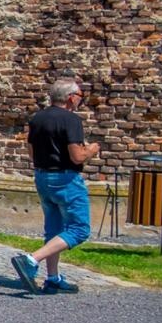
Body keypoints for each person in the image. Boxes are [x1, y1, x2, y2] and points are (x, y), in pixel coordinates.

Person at [11, 78, 99, 293]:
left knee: (54, 229)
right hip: (66, 179)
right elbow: (77, 156)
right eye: (79, 96)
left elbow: (31, 151)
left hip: (42, 177)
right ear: (70, 98)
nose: (80, 101)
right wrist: (92, 150)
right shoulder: (71, 120)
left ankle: (53, 278)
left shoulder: (37, 118)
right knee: (79, 229)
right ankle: (31, 260)